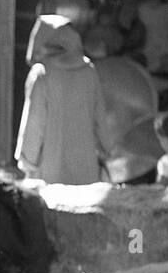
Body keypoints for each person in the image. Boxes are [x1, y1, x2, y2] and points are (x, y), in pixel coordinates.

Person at [14, 14, 108, 184]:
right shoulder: (89, 71)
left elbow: (35, 123)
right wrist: (105, 149)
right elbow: (100, 116)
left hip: (50, 168)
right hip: (86, 168)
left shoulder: (41, 74)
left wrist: (28, 161)